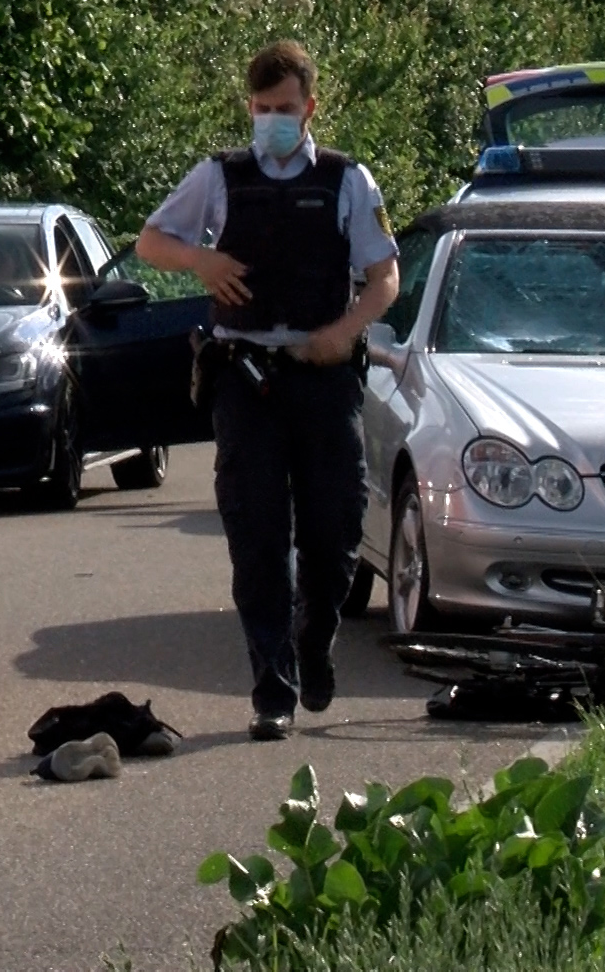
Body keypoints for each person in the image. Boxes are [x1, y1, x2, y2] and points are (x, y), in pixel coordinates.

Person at [135, 40, 400, 741]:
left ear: (310, 108)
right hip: (245, 378)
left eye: (285, 109)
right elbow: (150, 242)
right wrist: (200, 258)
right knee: (257, 540)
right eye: (261, 110)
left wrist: (344, 332)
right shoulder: (219, 177)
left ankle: (314, 640)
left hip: (322, 374)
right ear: (248, 109)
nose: (272, 121)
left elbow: (385, 280)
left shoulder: (348, 181)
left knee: (336, 532)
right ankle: (271, 688)